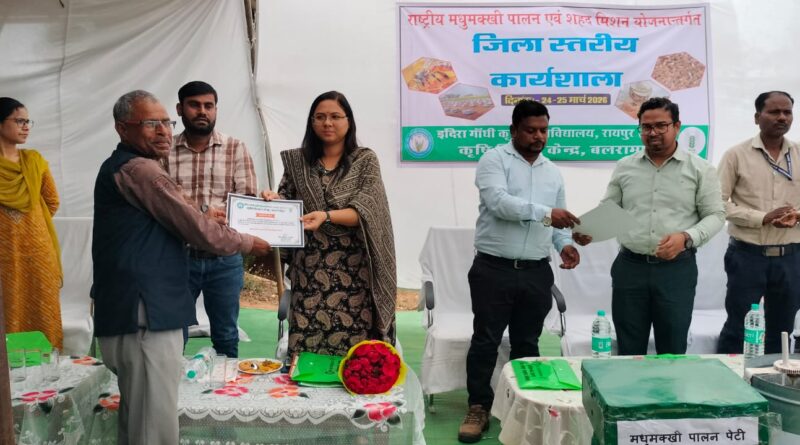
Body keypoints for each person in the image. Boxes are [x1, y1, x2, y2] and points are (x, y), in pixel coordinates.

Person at [92, 90, 269, 445]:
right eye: (150, 123)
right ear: (122, 128)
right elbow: (197, 230)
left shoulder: (130, 166)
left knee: (138, 415)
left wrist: (202, 215)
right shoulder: (142, 170)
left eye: (165, 123)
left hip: (135, 309)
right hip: (145, 313)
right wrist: (251, 243)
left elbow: (169, 218)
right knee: (154, 424)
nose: (162, 131)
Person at [458, 100, 581, 444]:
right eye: (530, 130)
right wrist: (547, 214)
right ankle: (478, 407)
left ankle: (523, 407)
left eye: (544, 130)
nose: (538, 136)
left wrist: (564, 245)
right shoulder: (494, 160)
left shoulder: (552, 171)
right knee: (486, 340)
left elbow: (557, 224)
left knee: (527, 342)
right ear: (513, 130)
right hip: (493, 268)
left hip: (536, 272)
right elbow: (499, 203)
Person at [574, 97, 725, 356]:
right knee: (629, 349)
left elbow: (716, 215)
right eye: (646, 127)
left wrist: (686, 237)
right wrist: (590, 229)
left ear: (677, 126)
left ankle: (670, 385)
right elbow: (610, 208)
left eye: (661, 125)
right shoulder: (625, 166)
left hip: (676, 271)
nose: (653, 132)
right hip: (630, 268)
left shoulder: (700, 169)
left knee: (672, 349)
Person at [261, 90, 396, 358]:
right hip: (309, 271)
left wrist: (326, 216)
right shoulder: (298, 162)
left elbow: (368, 211)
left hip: (355, 272)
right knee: (307, 347)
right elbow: (288, 202)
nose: (327, 123)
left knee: (355, 355)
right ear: (312, 122)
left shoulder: (364, 160)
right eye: (320, 117)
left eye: (335, 116)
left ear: (348, 121)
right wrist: (274, 201)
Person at [166, 81, 257, 358]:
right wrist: (203, 215)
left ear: (216, 109)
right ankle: (172, 383)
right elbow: (162, 203)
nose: (202, 111)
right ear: (180, 109)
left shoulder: (235, 148)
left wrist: (198, 214)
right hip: (177, 257)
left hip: (224, 259)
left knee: (226, 334)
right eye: (194, 105)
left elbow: (246, 202)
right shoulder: (164, 150)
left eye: (209, 105)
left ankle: (226, 385)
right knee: (173, 333)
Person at [716, 91, 800, 354]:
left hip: (791, 257)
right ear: (756, 117)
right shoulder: (736, 155)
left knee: (782, 330)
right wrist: (762, 218)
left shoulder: (799, 153)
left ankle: (776, 375)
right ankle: (729, 376)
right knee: (738, 327)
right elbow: (717, 203)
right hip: (747, 256)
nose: (782, 117)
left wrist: (797, 214)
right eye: (774, 112)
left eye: (787, 112)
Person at [0, 97, 63, 348]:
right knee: (7, 310)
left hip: (38, 253)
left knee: (41, 309)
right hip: (3, 257)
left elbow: (52, 201)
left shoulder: (34, 161)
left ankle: (46, 364)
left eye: (28, 121)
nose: (26, 126)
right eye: (19, 121)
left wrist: (31, 224)